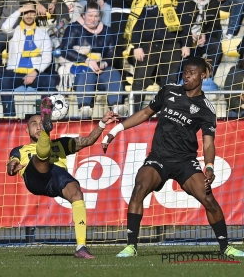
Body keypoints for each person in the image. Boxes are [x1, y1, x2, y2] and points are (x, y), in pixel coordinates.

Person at [102, 57, 244, 258]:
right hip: (158, 157)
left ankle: (225, 246)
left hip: (185, 162)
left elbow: (208, 142)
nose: (187, 76)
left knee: (208, 199)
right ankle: (131, 246)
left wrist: (209, 166)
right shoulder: (169, 91)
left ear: (203, 75)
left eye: (192, 73)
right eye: (185, 72)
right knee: (139, 186)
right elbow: (144, 113)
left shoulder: (205, 108)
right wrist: (114, 130)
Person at [7, 96, 119, 258]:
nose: (38, 126)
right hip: (34, 177)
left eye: (41, 123)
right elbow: (11, 166)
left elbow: (87, 141)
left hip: (56, 178)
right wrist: (12, 167)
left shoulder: (61, 144)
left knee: (76, 192)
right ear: (26, 130)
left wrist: (102, 123)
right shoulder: (19, 150)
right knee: (41, 158)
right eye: (34, 124)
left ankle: (81, 247)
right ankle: (46, 136)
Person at [60, 0, 123, 119]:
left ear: (100, 17)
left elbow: (111, 52)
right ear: (83, 15)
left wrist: (104, 64)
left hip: (100, 68)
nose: (93, 19)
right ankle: (85, 106)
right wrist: (87, 60)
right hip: (79, 66)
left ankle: (117, 106)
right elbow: (65, 49)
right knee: (86, 72)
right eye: (90, 15)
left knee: (113, 73)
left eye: (96, 16)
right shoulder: (74, 28)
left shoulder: (107, 31)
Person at [0, 3, 59, 117]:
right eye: (26, 13)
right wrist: (19, 10)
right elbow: (4, 27)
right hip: (15, 72)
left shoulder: (43, 34)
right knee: (3, 81)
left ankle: (46, 117)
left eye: (31, 12)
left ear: (36, 14)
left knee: (50, 83)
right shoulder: (14, 31)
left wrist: (35, 71)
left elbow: (47, 57)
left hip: (35, 72)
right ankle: (10, 117)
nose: (29, 15)